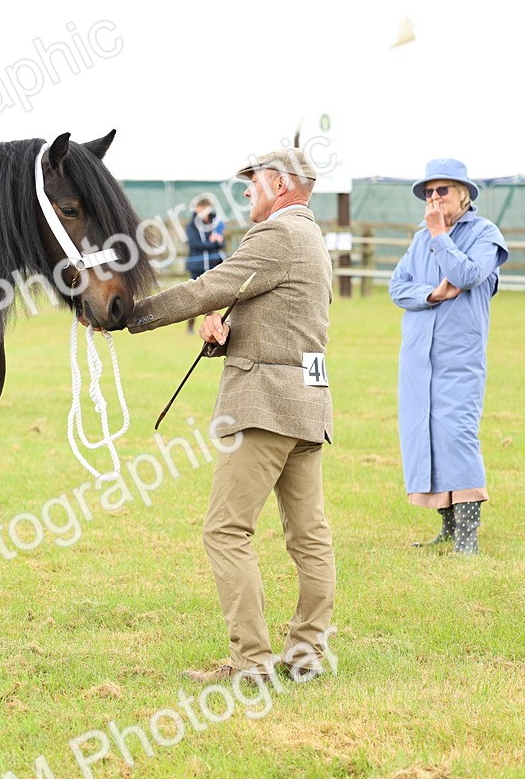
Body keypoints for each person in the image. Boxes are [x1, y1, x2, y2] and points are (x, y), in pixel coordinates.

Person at [126, 148, 335, 684]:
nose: (245, 191)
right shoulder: (311, 237)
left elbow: (206, 288)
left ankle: (253, 664)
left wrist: (129, 315)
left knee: (226, 531)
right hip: (308, 406)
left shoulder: (277, 234)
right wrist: (226, 336)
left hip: (266, 406)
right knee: (309, 538)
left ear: (281, 186)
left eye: (253, 181)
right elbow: (286, 323)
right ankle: (306, 656)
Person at [389, 159, 508, 556]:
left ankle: (468, 535)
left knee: (457, 435)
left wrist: (440, 235)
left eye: (442, 190)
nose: (434, 198)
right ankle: (448, 526)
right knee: (427, 435)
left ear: (464, 194)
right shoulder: (419, 239)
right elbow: (397, 287)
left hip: (459, 357)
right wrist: (431, 294)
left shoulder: (484, 234)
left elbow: (467, 274)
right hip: (417, 359)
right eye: (429, 192)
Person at [183, 196, 227, 333]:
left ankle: (208, 327)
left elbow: (222, 243)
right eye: (200, 208)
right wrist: (212, 243)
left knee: (210, 299)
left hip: (213, 266)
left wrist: (217, 242)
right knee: (194, 297)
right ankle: (190, 327)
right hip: (197, 266)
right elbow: (195, 244)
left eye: (206, 207)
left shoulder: (216, 224)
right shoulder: (191, 226)